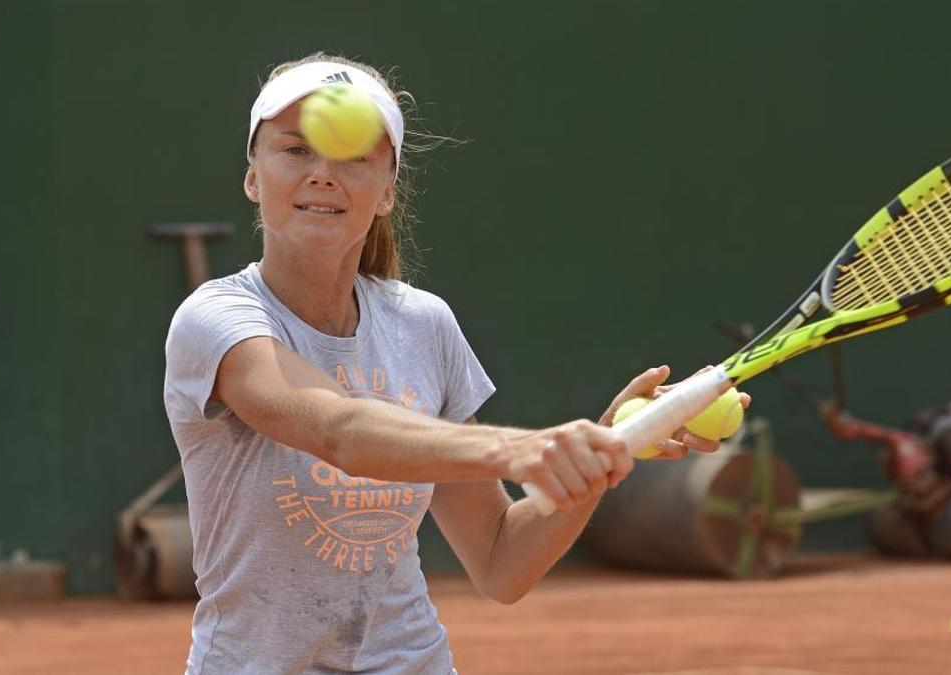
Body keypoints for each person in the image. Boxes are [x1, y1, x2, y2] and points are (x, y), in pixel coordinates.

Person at [163, 53, 743, 674]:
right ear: (253, 176)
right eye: (294, 150)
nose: (323, 174)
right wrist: (523, 449)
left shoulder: (422, 323)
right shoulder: (216, 319)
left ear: (386, 189)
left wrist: (607, 446)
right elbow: (338, 429)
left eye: (354, 156)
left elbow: (501, 562)